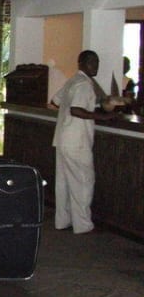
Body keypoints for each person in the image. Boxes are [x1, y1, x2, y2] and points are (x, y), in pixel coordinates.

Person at [50, 50, 117, 234]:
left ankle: (63, 220)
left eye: (96, 62)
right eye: (91, 62)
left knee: (64, 183)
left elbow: (55, 101)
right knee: (83, 181)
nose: (95, 66)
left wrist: (91, 107)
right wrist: (103, 117)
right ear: (82, 64)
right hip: (77, 141)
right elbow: (76, 110)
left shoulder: (73, 81)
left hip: (63, 139)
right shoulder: (85, 85)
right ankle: (83, 225)